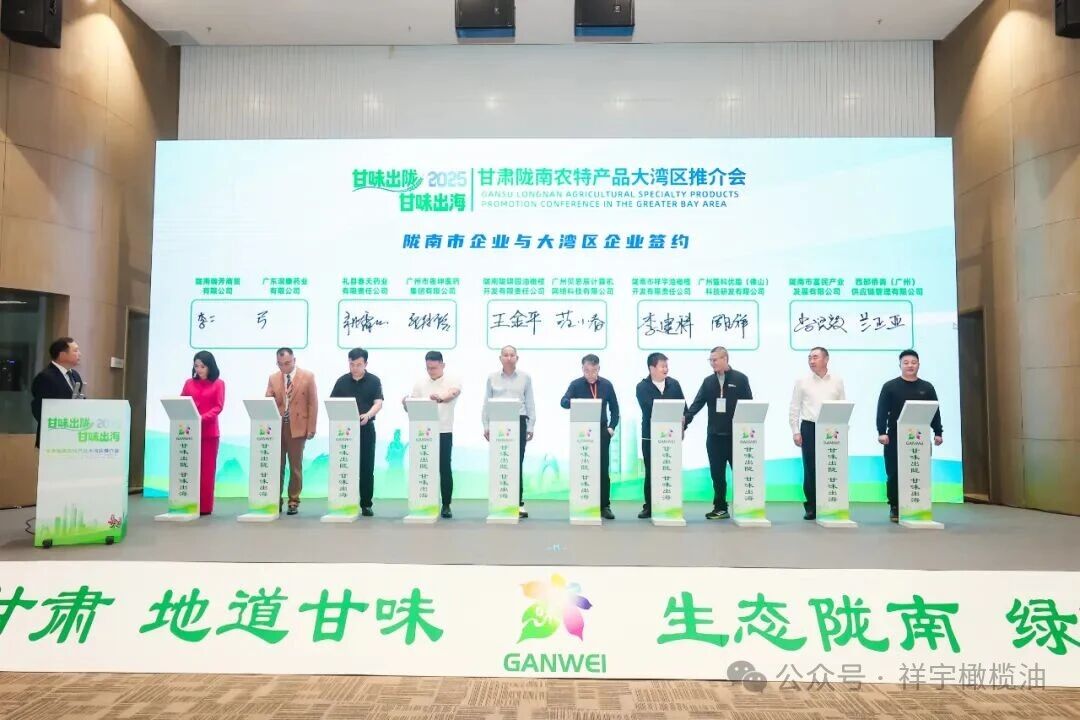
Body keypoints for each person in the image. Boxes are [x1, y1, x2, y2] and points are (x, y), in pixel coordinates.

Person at [684, 347, 753, 520]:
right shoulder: (708, 381)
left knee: (742, 473)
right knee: (717, 475)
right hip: (714, 436)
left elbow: (749, 405)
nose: (712, 363)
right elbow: (697, 403)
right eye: (710, 360)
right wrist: (685, 420)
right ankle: (720, 507)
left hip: (736, 437)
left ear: (725, 359)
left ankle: (746, 507)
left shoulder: (740, 379)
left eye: (715, 360)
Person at [876, 349, 944, 523]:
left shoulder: (927, 387)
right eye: (906, 363)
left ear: (918, 365)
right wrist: (881, 432)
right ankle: (895, 506)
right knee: (894, 473)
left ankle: (918, 504)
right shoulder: (890, 386)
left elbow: (934, 411)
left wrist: (938, 432)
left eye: (913, 362)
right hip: (894, 437)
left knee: (918, 470)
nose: (910, 366)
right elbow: (882, 411)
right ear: (900, 365)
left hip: (919, 438)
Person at [560, 353, 620, 520]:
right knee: (583, 467)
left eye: (594, 370)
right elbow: (563, 402)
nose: (591, 374)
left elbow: (615, 410)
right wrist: (575, 403)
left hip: (601, 432)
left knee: (603, 469)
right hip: (581, 433)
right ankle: (583, 502)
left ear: (599, 368)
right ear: (582, 369)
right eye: (587, 371)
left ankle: (604, 506)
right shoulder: (576, 384)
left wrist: (611, 427)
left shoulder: (607, 385)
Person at [788, 346, 846, 520]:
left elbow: (842, 405)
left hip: (832, 429)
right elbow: (794, 407)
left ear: (826, 359)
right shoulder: (802, 381)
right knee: (810, 468)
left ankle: (831, 503)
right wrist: (795, 431)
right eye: (809, 358)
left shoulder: (837, 381)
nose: (811, 361)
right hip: (809, 427)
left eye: (815, 357)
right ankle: (812, 506)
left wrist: (844, 428)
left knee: (831, 466)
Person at [403, 351, 461, 519]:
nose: (431, 371)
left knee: (444, 468)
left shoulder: (453, 380)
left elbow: (452, 394)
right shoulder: (420, 383)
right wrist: (405, 403)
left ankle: (446, 504)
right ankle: (423, 501)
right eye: (428, 368)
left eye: (434, 368)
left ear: (443, 365)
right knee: (423, 466)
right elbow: (412, 406)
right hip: (422, 433)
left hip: (443, 431)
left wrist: (440, 398)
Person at [482, 345, 535, 519]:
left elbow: (530, 403)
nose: (509, 357)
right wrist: (486, 425)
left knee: (516, 462)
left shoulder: (525, 378)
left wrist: (531, 425)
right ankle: (499, 500)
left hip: (518, 421)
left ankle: (518, 503)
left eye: (512, 355)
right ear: (500, 358)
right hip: (498, 422)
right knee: (500, 462)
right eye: (505, 355)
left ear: (517, 358)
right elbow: (487, 403)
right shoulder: (492, 378)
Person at [265, 347, 318, 515]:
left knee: (295, 466)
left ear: (294, 360)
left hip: (298, 426)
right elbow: (268, 401)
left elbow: (312, 403)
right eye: (280, 364)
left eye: (287, 363)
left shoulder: (307, 376)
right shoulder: (273, 378)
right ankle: (275, 500)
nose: (284, 367)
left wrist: (311, 428)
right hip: (277, 427)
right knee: (277, 465)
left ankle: (293, 501)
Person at [331, 347, 383, 516]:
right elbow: (333, 404)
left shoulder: (374, 381)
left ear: (365, 364)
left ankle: (366, 504)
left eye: (358, 365)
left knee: (366, 467)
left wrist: (368, 415)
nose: (354, 368)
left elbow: (378, 403)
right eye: (352, 364)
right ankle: (345, 500)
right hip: (345, 432)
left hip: (366, 428)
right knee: (345, 465)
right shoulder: (341, 382)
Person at [634, 352, 686, 519]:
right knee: (651, 471)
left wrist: (682, 425)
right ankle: (649, 506)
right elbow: (649, 409)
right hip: (650, 437)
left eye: (666, 366)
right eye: (662, 366)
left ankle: (670, 503)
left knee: (670, 469)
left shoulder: (674, 384)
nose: (666, 369)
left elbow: (684, 408)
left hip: (671, 438)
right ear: (652, 368)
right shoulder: (642, 387)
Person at [181, 351, 225, 515]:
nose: (199, 369)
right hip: (189, 433)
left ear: (210, 367)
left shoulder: (219, 384)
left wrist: (201, 418)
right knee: (190, 469)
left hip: (209, 433)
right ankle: (188, 502)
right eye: (196, 366)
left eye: (202, 366)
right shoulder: (189, 383)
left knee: (207, 471)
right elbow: (182, 402)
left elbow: (218, 406)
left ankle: (205, 507)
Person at [30, 337, 85, 448]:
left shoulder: (75, 375)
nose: (80, 354)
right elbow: (39, 409)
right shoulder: (45, 377)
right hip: (53, 439)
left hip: (73, 436)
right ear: (62, 355)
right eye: (75, 351)